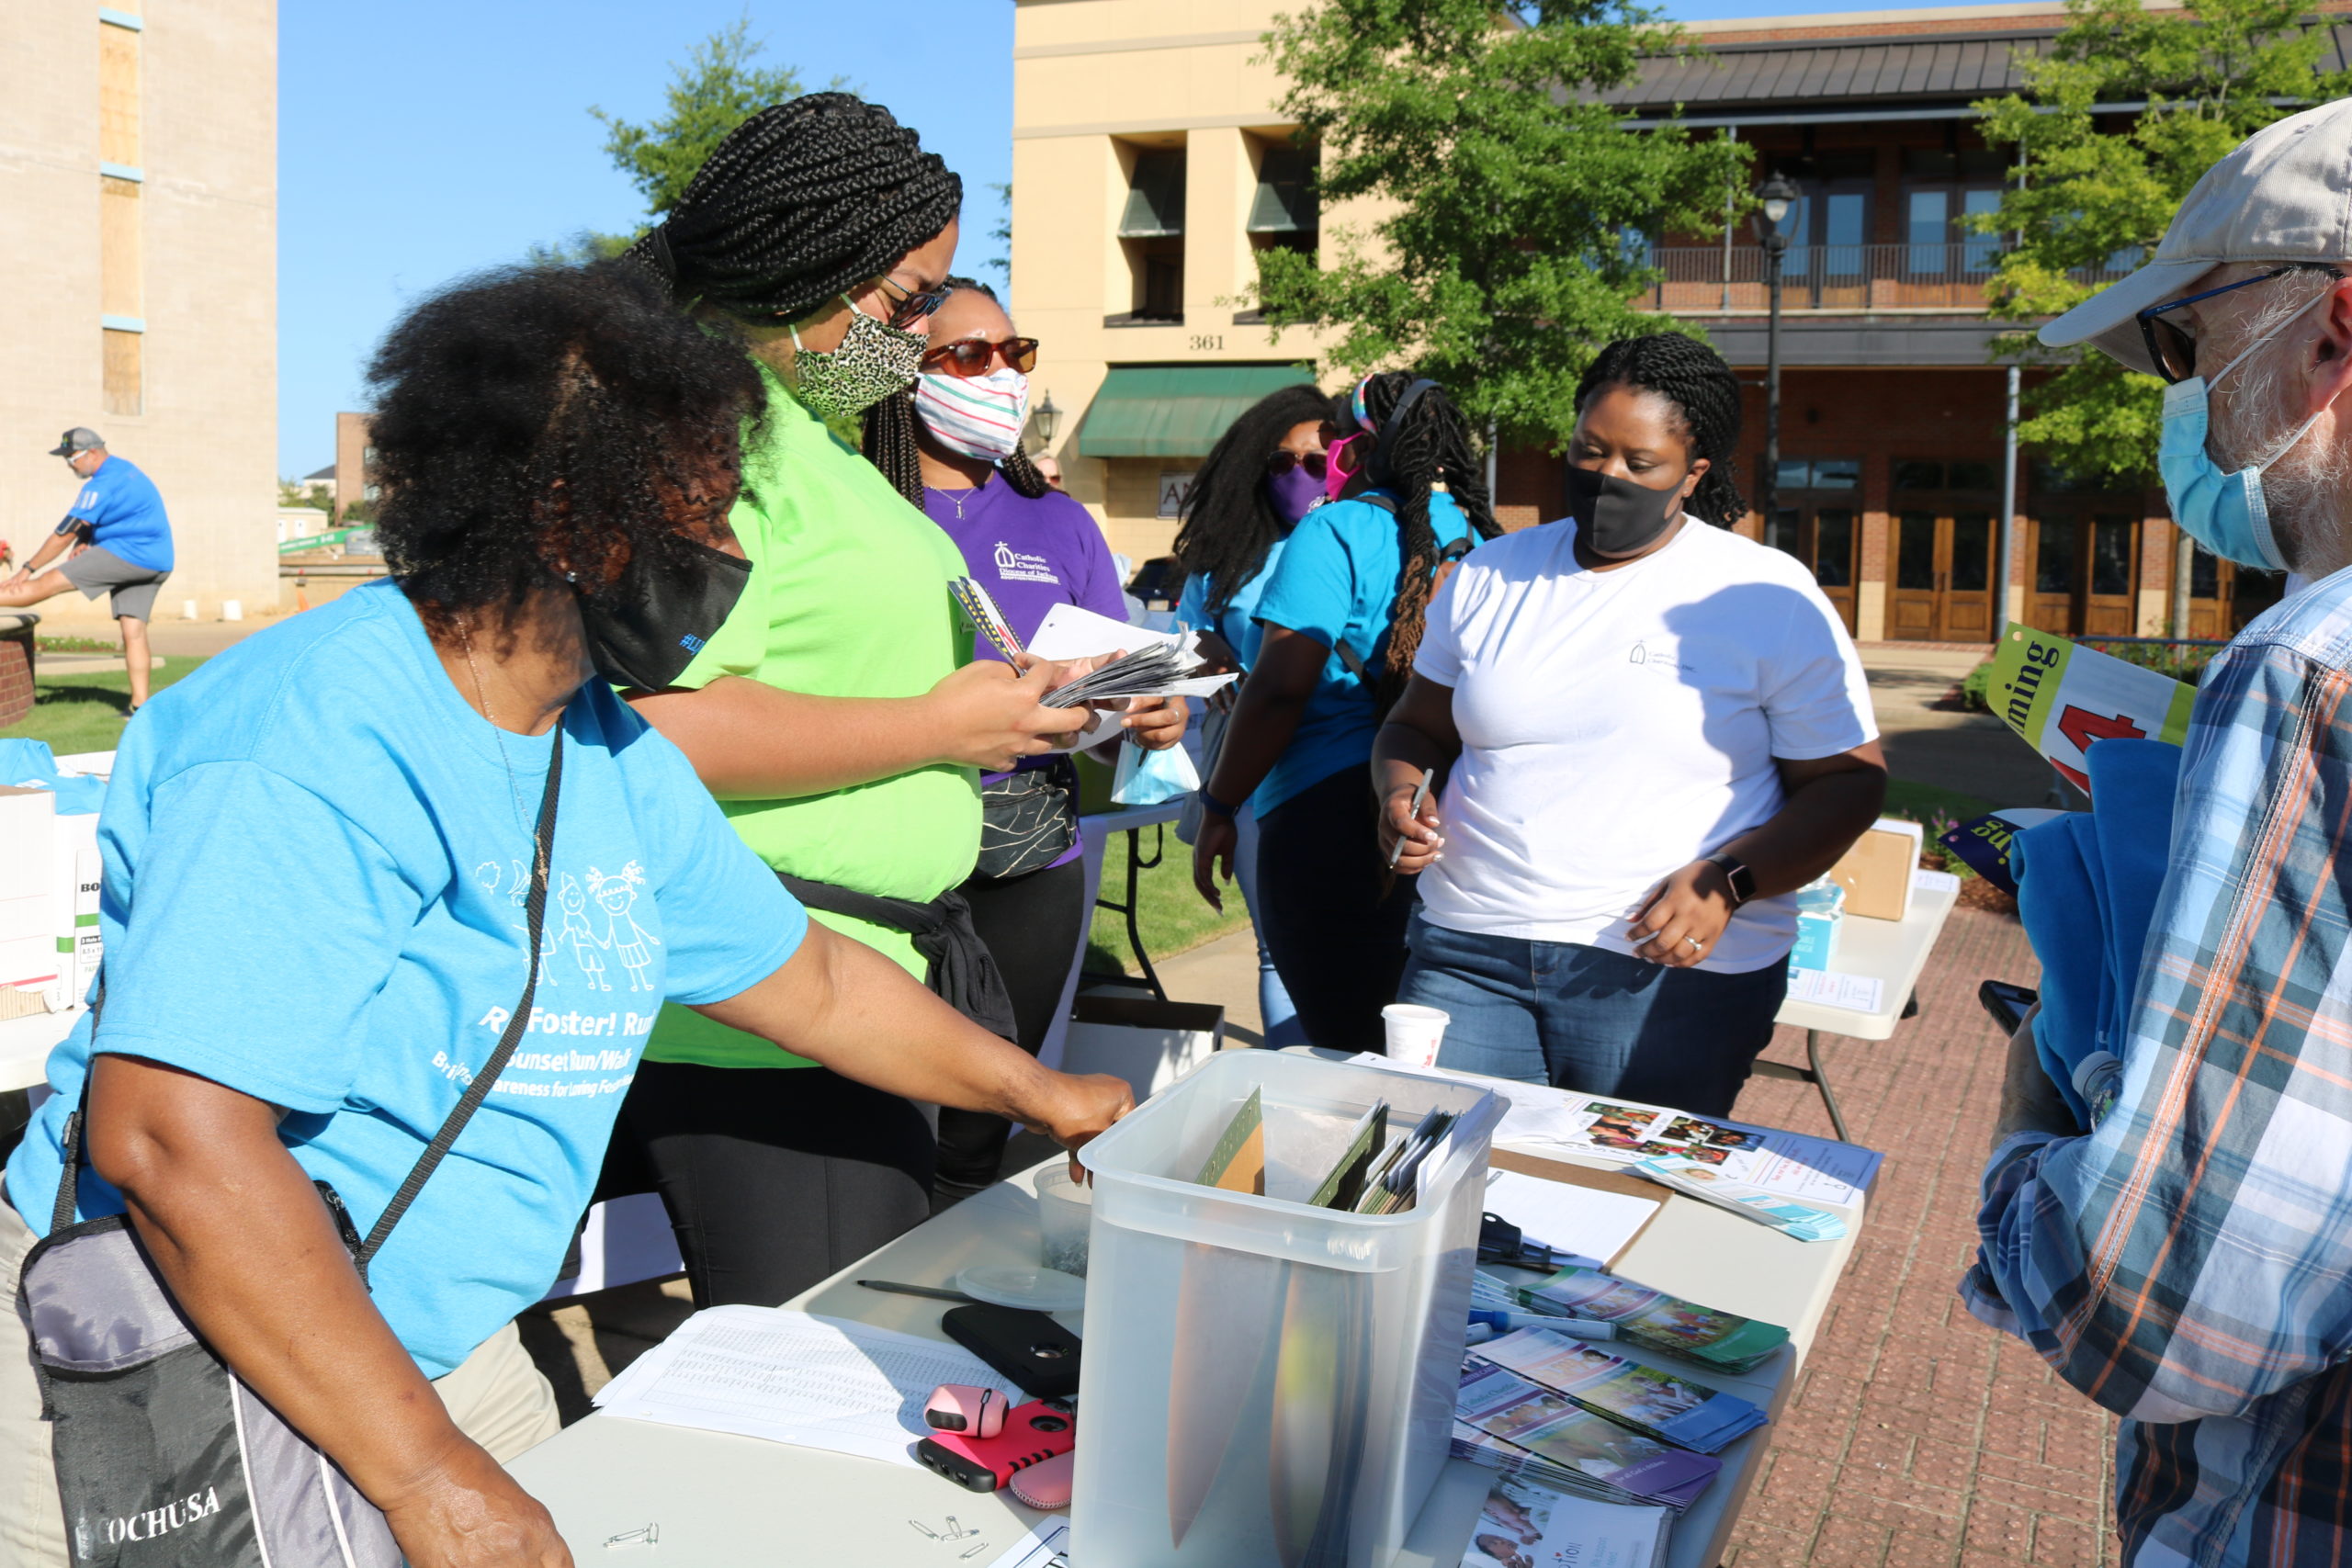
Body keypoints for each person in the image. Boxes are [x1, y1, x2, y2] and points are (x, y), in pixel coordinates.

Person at [0, 261, 1130, 1568]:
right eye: (705, 512)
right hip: (182, 1338)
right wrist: (427, 1473)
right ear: (568, 514)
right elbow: (177, 1141)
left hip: (432, 1342)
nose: (732, 556)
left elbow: (810, 981)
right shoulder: (311, 735)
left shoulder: (602, 750)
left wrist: (1045, 1093)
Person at [604, 96, 1137, 1308]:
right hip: (758, 1015)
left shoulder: (812, 431)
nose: (905, 341)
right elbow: (651, 726)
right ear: (806, 262)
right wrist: (948, 728)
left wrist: (1009, 696)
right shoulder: (699, 436)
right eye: (901, 303)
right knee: (828, 1375)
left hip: (860, 993)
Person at [1961, 99, 2352, 1568]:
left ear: (2332, 331)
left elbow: (2159, 1305)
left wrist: (2041, 1087)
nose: (2179, 400)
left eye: (2188, 347)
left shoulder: (2312, 670)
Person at [1374, 335, 1884, 1116]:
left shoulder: (1765, 593)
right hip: (1466, 948)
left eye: (1638, 462)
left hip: (1664, 975)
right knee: (1443, 1187)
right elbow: (1415, 728)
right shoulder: (1488, 573)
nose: (1607, 475)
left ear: (1693, 474)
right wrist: (1401, 793)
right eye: (1589, 450)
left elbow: (1848, 782)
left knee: (1620, 1214)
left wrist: (1732, 881)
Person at [888, 276, 1186, 1190]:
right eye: (968, 355)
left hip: (1030, 852)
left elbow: (1105, 690)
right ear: (905, 374)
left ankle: (940, 1282)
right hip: (891, 837)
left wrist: (1147, 714)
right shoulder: (864, 507)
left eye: (1015, 355)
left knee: (985, 1113)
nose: (1001, 376)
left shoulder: (1056, 520)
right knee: (882, 1107)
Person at [1191, 372, 1499, 1050]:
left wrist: (1219, 806)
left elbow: (1278, 687)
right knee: (1420, 1052)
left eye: (1336, 436)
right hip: (1443, 816)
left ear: (1364, 446)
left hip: (1321, 819)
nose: (1331, 451)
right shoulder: (1482, 539)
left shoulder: (1336, 529)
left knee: (1342, 1053)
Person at [1170, 381, 1334, 1048]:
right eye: (1281, 463)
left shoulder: (1369, 536)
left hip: (1346, 764)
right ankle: (1293, 1088)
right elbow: (1192, 636)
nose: (1300, 475)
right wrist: (1223, 675)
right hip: (1252, 774)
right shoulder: (1226, 556)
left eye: (1317, 460)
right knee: (1279, 949)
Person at [0, 428, 174, 714]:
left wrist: (27, 568)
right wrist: (86, 540)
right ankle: (139, 708)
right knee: (134, 632)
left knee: (45, 583)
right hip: (157, 561)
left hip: (126, 554)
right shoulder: (125, 470)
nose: (70, 464)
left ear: (93, 452)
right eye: (66, 458)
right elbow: (106, 516)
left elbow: (64, 532)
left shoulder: (101, 484)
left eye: (73, 456)